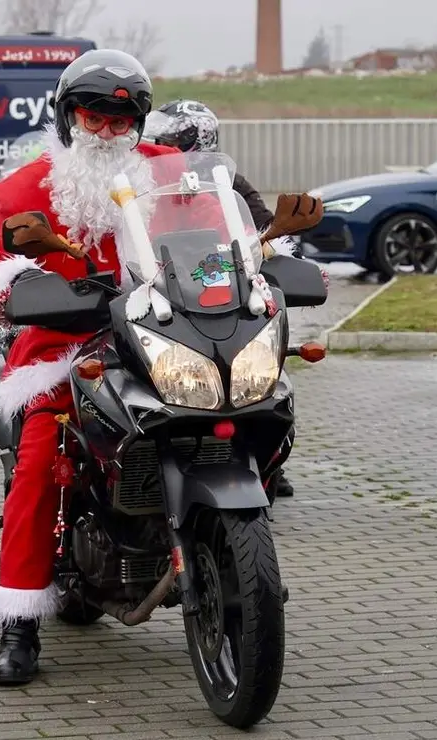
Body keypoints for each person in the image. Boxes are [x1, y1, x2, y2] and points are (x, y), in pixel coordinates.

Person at [0, 49, 222, 686]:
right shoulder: (27, 185)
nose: (106, 131)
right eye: (93, 117)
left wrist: (232, 277)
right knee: (41, 462)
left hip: (164, 340)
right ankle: (21, 621)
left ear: (139, 124)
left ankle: (231, 548)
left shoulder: (170, 175)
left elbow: (215, 240)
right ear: (68, 117)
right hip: (63, 350)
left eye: (120, 120)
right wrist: (25, 286)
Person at [146, 97, 304, 499]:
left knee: (266, 373)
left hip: (226, 287)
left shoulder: (224, 180)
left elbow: (267, 227)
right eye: (162, 140)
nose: (167, 148)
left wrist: (271, 249)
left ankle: (268, 462)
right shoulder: (146, 181)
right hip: (167, 287)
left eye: (173, 140)